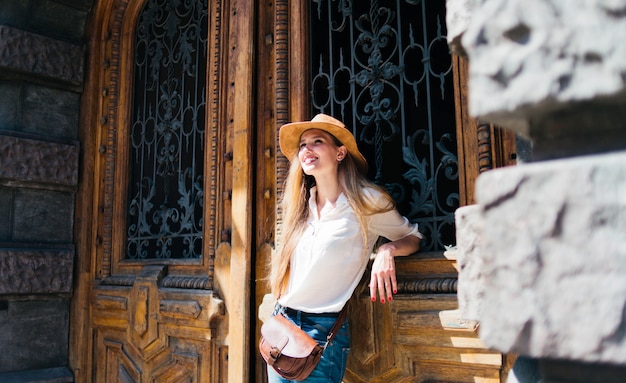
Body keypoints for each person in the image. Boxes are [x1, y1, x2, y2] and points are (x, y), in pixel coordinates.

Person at [267, 113, 424, 383]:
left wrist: (387, 251)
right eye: (303, 144)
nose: (307, 149)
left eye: (317, 141)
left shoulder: (366, 201)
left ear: (340, 153)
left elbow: (412, 238)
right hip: (281, 326)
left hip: (322, 334)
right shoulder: (300, 205)